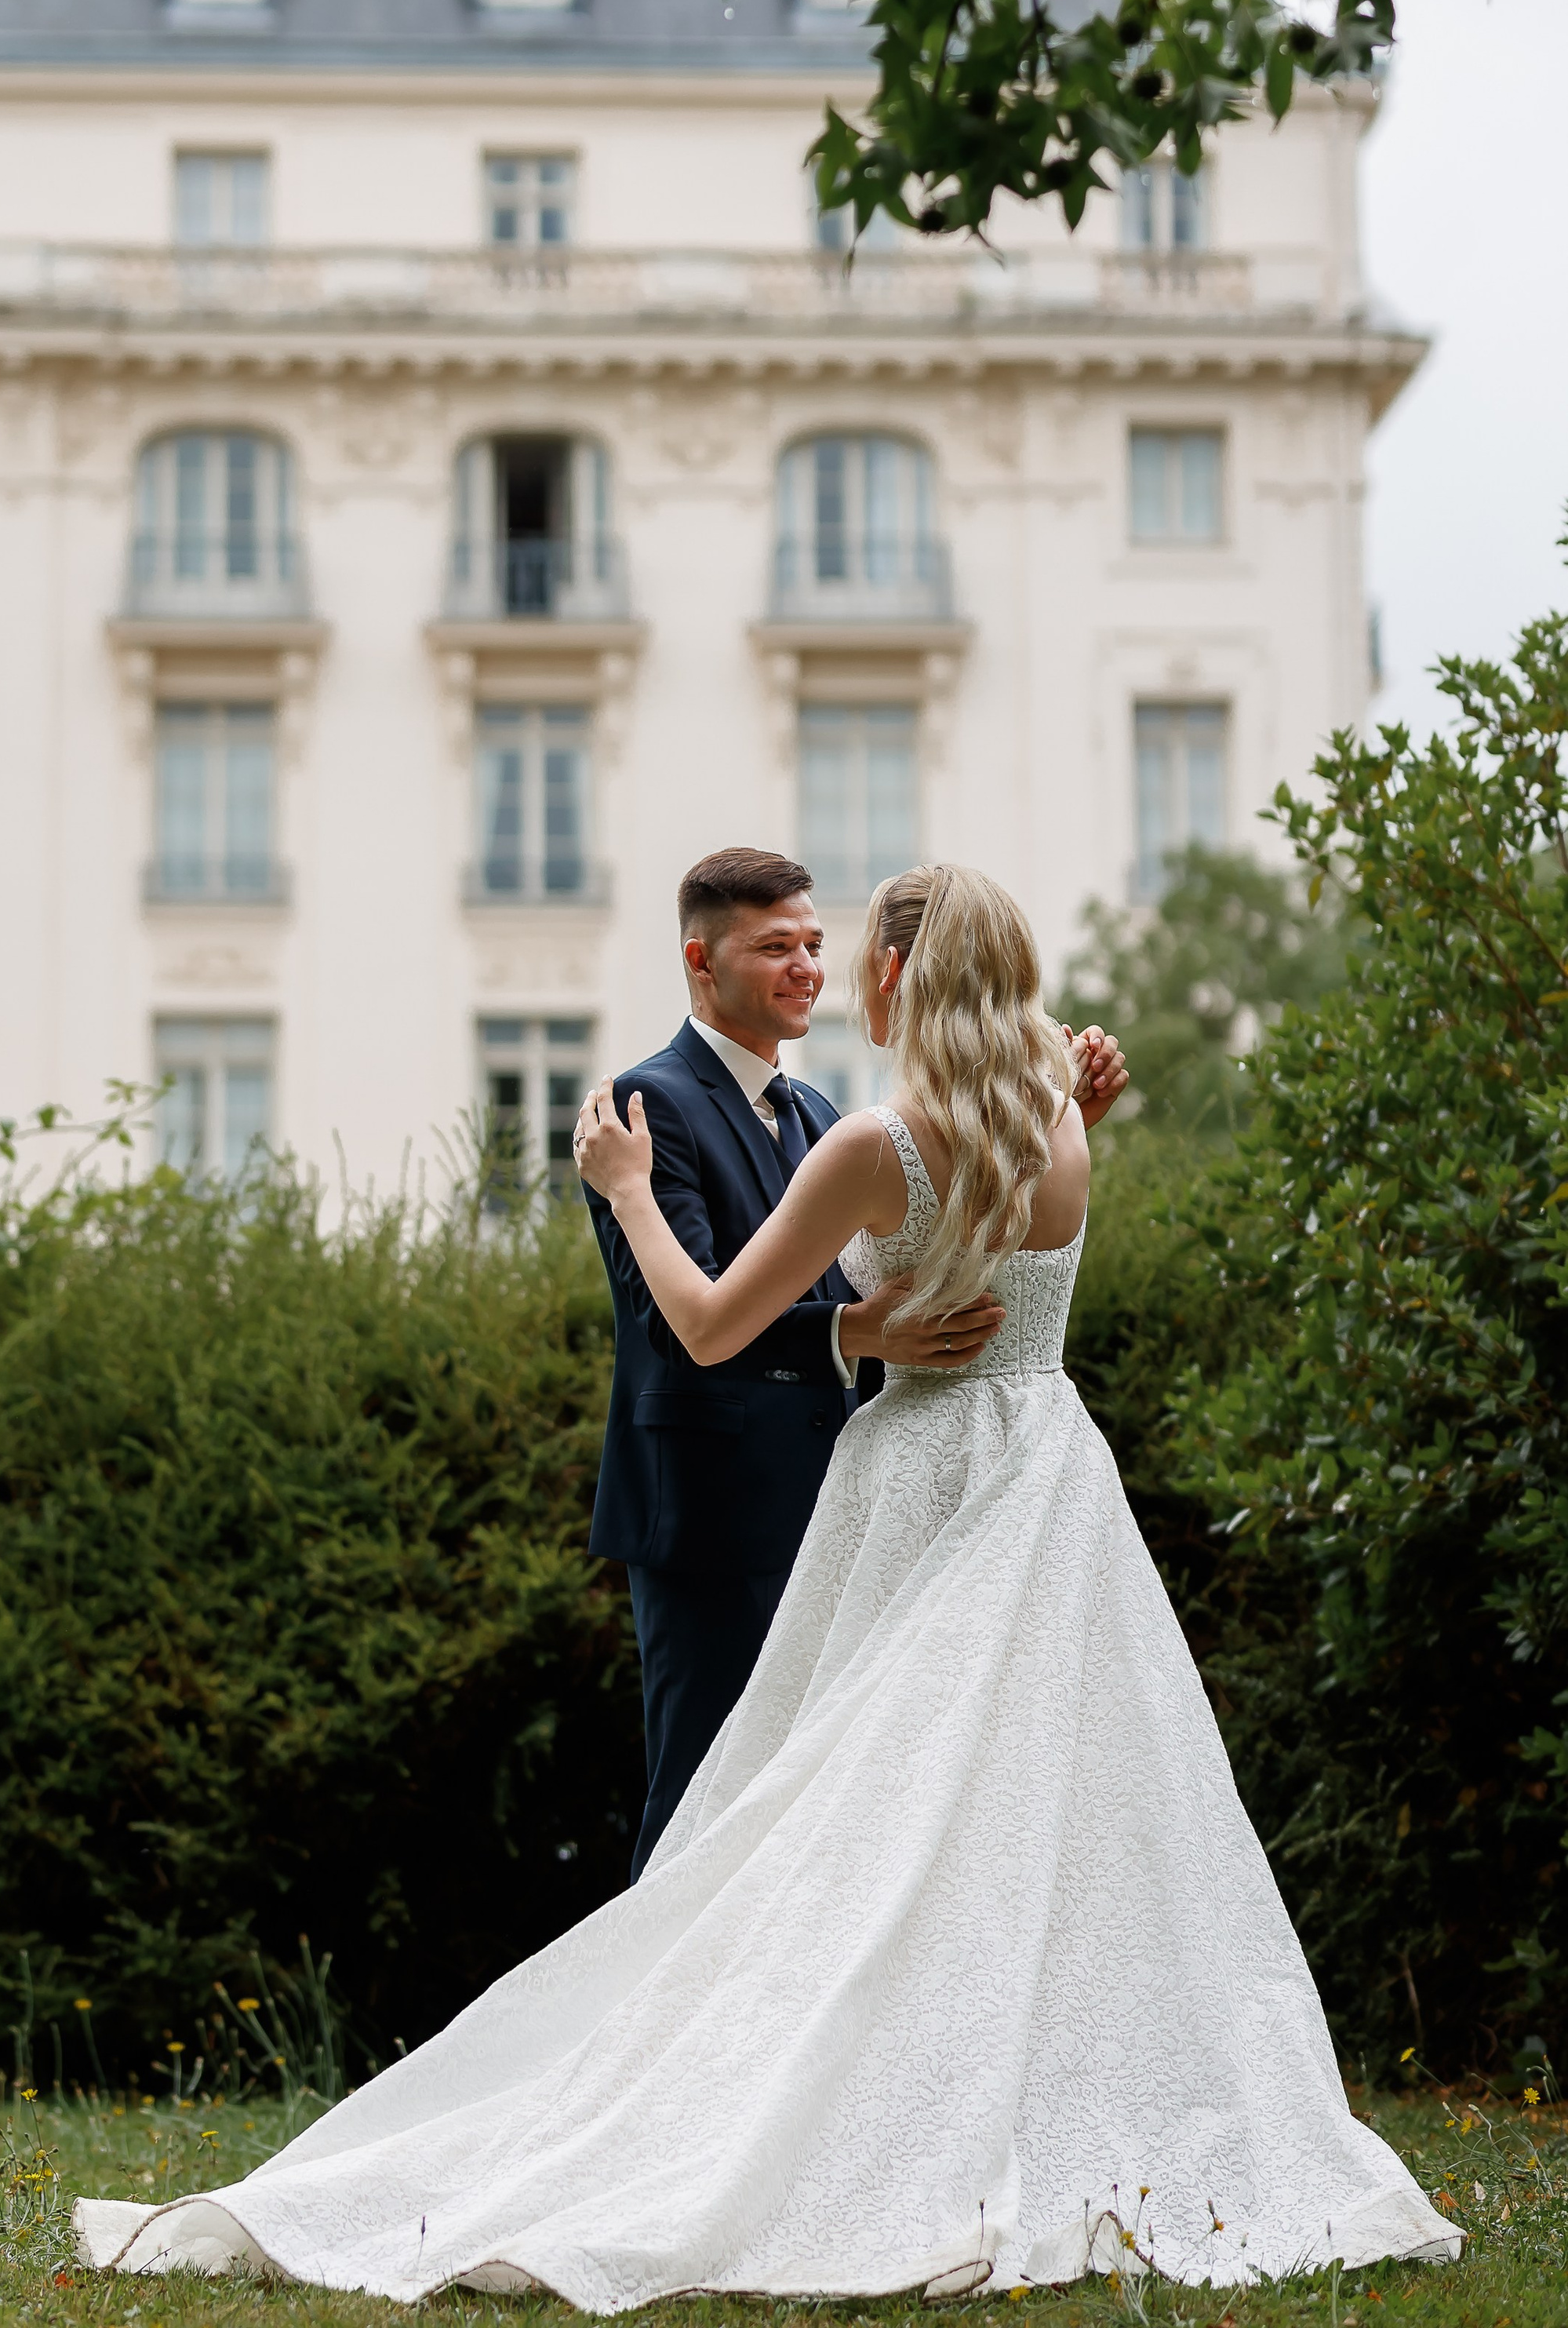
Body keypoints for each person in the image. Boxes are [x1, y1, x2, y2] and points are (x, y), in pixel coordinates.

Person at [74, 863, 1458, 2304]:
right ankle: (1009, 2095)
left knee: (835, 1820)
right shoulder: (1058, 1133)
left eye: (847, 952)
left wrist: (627, 1192)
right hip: (1050, 1470)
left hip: (921, 1478)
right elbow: (1010, 1176)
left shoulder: (871, 1143)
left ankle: (795, 2096)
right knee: (1025, 1817)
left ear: (893, 984)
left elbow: (716, 1324)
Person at [581, 844, 1125, 1874]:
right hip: (714, 1513)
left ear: (889, 970)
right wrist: (849, 1332)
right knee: (707, 1796)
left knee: (851, 1808)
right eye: (774, 946)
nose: (804, 967)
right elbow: (679, 1323)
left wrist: (860, 1328)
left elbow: (909, 1248)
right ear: (702, 963)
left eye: (816, 945)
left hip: (867, 1499)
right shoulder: (645, 1110)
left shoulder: (839, 1122)